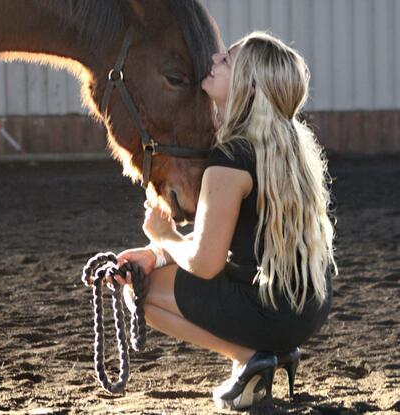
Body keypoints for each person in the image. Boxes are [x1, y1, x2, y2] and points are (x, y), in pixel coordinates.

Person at [110, 31, 337, 410]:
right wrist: (156, 254)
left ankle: (250, 356)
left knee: (139, 291)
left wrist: (164, 236)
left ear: (248, 86)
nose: (215, 59)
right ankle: (268, 353)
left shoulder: (230, 158)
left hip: (270, 310)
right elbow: (228, 243)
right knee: (154, 270)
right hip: (308, 308)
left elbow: (205, 263)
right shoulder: (291, 143)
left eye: (227, 60)